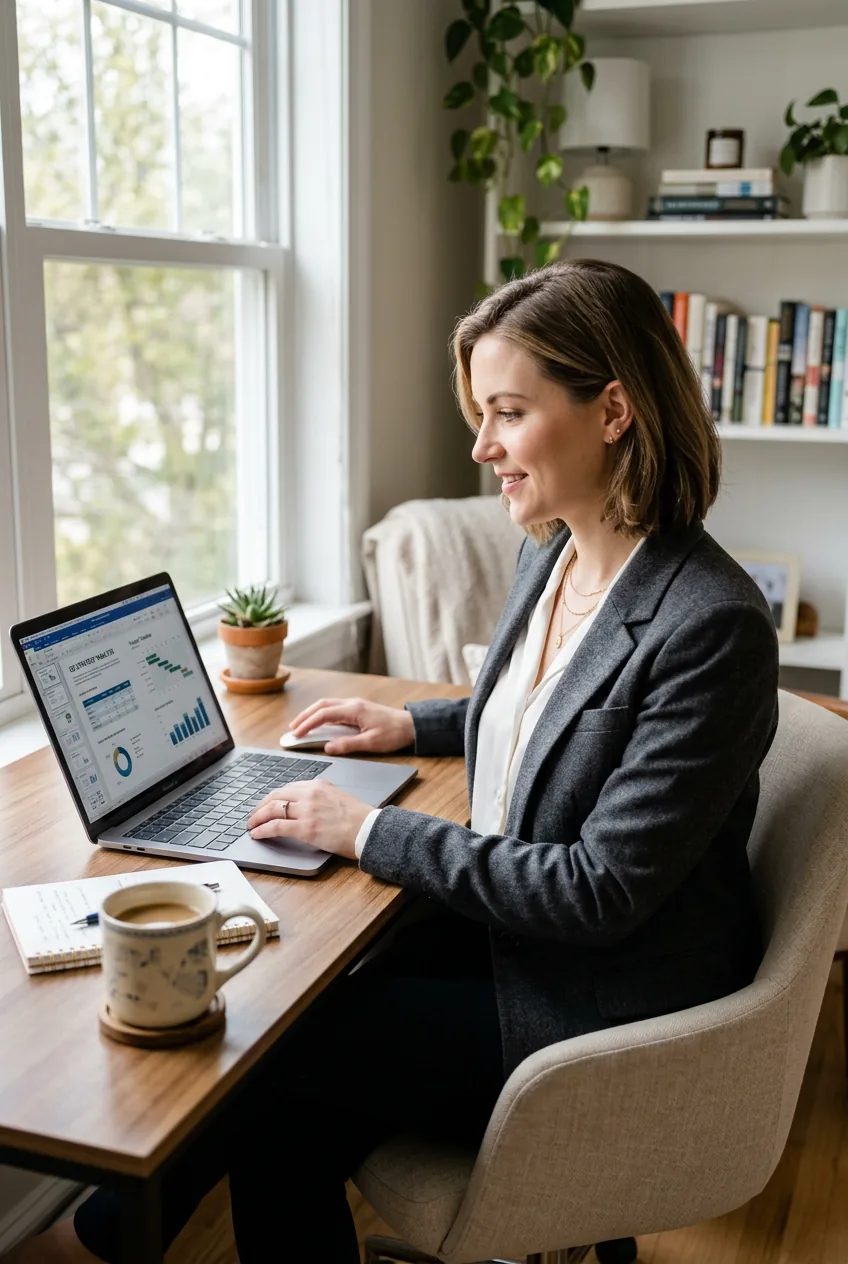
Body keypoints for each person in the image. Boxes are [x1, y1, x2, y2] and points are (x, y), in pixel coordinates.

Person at [10, 258, 778, 1263]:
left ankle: (109, 1229)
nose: (481, 444)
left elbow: (598, 891)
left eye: (507, 410)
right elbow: (556, 708)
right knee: (284, 994)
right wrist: (413, 728)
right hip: (526, 938)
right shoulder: (553, 546)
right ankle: (120, 1221)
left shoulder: (708, 622)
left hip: (601, 996)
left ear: (613, 410)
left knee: (284, 1077)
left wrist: (366, 828)